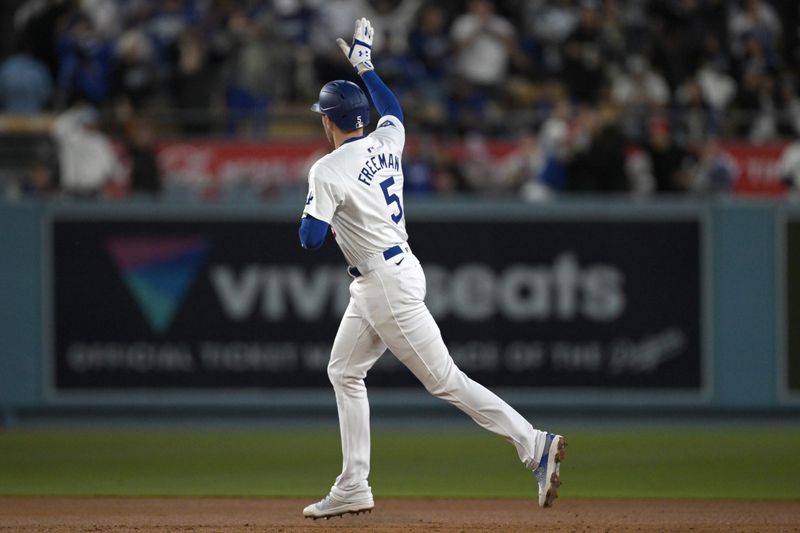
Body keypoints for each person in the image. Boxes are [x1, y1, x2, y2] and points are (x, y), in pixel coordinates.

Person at [298, 18, 566, 520]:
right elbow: (394, 111)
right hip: (391, 272)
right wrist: (367, 67)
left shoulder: (327, 168)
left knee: (446, 380)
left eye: (322, 117)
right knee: (344, 370)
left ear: (328, 122)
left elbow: (310, 239)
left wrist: (317, 212)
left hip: (383, 283)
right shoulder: (385, 142)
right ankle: (354, 484)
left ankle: (534, 444)